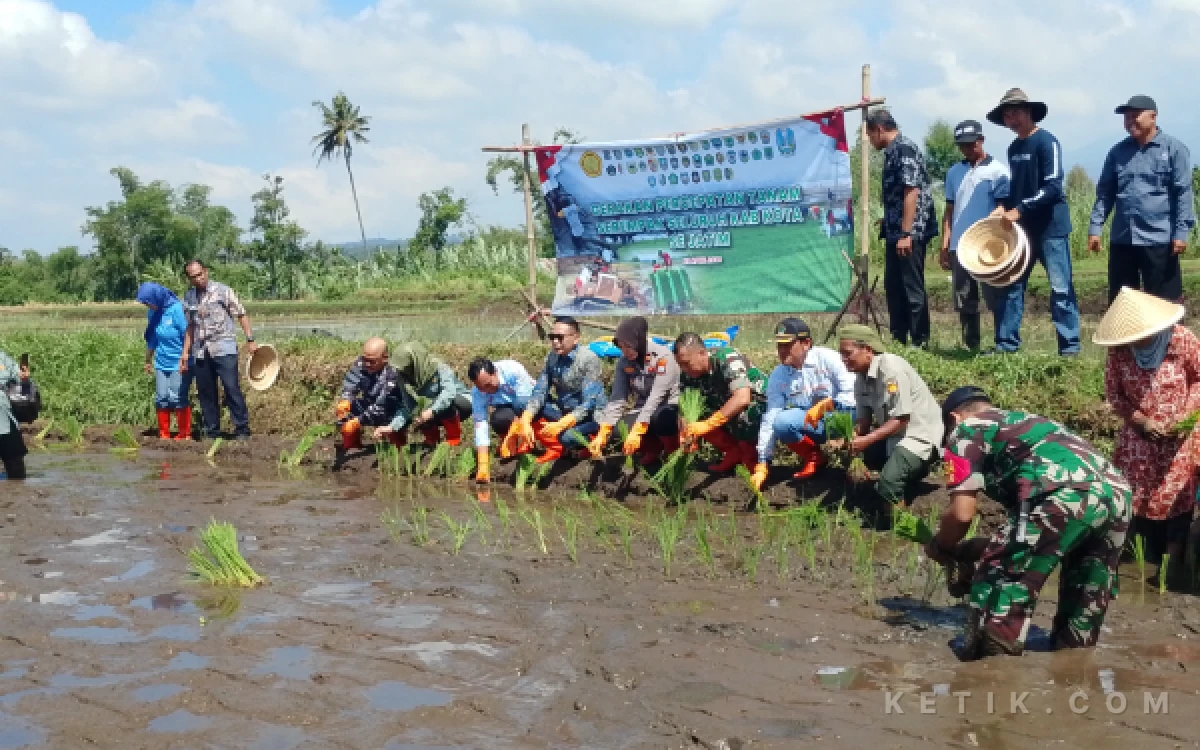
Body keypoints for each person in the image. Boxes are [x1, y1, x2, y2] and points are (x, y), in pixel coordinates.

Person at [931, 386, 1131, 659]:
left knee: (998, 582)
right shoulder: (1028, 424)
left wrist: (941, 546)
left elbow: (961, 514)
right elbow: (1035, 539)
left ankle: (990, 667)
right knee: (1085, 598)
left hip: (1063, 492)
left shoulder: (965, 430)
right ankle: (1075, 666)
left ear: (954, 418)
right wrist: (971, 550)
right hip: (1118, 495)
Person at [1097, 287, 1199, 584]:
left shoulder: (1181, 339)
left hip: (1179, 439)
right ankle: (1138, 559)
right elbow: (1114, 395)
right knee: (1135, 496)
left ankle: (1173, 563)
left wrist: (1183, 417)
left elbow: (1199, 379)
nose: (1136, 341)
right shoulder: (1119, 350)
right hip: (1138, 439)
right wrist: (1141, 421)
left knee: (1177, 497)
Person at [987, 88, 1081, 356]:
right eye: (1007, 116)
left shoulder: (1047, 142)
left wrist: (1020, 209)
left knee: (1061, 289)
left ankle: (1069, 348)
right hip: (1023, 231)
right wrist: (1004, 208)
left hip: (1051, 229)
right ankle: (1006, 345)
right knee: (1012, 285)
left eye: (1015, 113)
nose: (1011, 120)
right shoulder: (1014, 148)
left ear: (1029, 112)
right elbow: (1019, 188)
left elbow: (1053, 187)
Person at [1089, 95, 1195, 303]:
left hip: (1159, 240)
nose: (1130, 121)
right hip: (1123, 239)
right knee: (1122, 302)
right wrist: (1095, 227)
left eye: (1135, 116)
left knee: (1164, 302)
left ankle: (1166, 327)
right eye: (1127, 117)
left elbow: (1183, 192)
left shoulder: (1173, 149)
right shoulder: (1117, 152)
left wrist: (1181, 233)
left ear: (1153, 117)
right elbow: (1105, 193)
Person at [837, 324, 943, 505]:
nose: (843, 359)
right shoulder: (860, 378)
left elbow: (901, 419)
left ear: (867, 350)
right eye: (842, 354)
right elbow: (864, 419)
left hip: (918, 437)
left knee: (888, 486)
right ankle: (904, 474)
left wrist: (866, 440)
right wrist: (851, 437)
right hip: (894, 436)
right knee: (863, 454)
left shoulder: (891, 371)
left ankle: (897, 519)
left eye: (848, 353)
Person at [750, 318, 856, 490]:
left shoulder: (828, 359)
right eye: (779, 345)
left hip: (844, 417)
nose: (781, 350)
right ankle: (815, 458)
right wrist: (763, 461)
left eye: (787, 345)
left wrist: (830, 404)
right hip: (815, 422)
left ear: (806, 343)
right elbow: (771, 416)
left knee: (852, 412)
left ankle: (854, 458)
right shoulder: (779, 375)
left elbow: (853, 393)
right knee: (782, 422)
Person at [866, 108, 938, 348]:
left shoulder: (904, 149)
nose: (870, 141)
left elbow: (911, 191)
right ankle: (899, 339)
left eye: (870, 135)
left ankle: (919, 341)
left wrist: (906, 233)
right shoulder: (892, 152)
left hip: (910, 233)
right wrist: (889, 220)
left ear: (879, 129)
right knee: (894, 287)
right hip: (895, 230)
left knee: (911, 288)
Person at [940, 120, 1011, 351]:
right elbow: (949, 211)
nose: (967, 149)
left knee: (995, 295)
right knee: (964, 296)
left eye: (971, 144)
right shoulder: (954, 172)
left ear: (981, 140)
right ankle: (971, 344)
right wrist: (945, 244)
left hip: (986, 243)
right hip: (959, 245)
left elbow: (1003, 207)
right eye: (963, 145)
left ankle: (1002, 343)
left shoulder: (997, 171)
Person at [508, 317, 606, 464]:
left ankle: (590, 442)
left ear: (575, 338)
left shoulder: (588, 359)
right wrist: (526, 420)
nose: (555, 342)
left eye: (560, 337)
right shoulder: (552, 357)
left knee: (567, 437)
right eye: (552, 337)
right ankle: (555, 447)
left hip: (590, 417)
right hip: (563, 410)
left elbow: (589, 404)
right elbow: (540, 391)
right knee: (520, 403)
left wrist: (561, 424)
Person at [180, 260, 257, 439]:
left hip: (224, 347)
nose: (198, 279)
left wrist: (250, 339)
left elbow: (241, 314)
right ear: (189, 279)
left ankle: (242, 429)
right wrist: (185, 353)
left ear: (205, 271)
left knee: (231, 388)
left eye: (200, 274)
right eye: (193, 277)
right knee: (206, 392)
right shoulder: (189, 297)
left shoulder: (223, 291)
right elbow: (190, 326)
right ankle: (212, 431)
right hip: (201, 350)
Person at [590, 317, 681, 466]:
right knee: (618, 430)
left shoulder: (662, 357)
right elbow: (617, 398)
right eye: (621, 347)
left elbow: (657, 396)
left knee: (662, 419)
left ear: (639, 339)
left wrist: (638, 429)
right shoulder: (623, 362)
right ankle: (653, 449)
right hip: (643, 408)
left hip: (667, 406)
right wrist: (604, 431)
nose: (625, 351)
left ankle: (673, 451)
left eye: (628, 346)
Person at [675, 332, 767, 473]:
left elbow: (742, 398)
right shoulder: (687, 375)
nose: (684, 369)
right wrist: (685, 432)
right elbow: (684, 407)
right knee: (696, 416)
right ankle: (732, 452)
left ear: (702, 353)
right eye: (680, 365)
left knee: (745, 417)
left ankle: (752, 458)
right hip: (724, 404)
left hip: (759, 403)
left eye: (686, 363)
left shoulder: (726, 357)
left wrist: (708, 424)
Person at [376, 343, 472, 449]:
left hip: (461, 404)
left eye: (406, 368)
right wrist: (391, 427)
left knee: (445, 402)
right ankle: (432, 440)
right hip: (432, 408)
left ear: (416, 362)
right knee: (418, 410)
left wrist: (432, 411)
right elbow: (408, 406)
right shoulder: (403, 377)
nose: (403, 372)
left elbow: (449, 393)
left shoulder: (439, 367)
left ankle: (454, 438)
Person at [335, 337, 408, 465]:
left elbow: (381, 405)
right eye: (365, 359)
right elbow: (351, 383)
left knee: (393, 420)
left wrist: (358, 421)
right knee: (347, 409)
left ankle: (398, 445)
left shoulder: (393, 372)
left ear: (385, 358)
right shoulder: (361, 363)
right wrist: (345, 400)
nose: (367, 364)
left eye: (372, 361)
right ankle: (352, 445)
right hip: (370, 403)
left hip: (390, 409)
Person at [137, 282, 192, 441]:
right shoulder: (153, 313)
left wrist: (185, 356)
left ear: (157, 297)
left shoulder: (177, 309)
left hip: (178, 361)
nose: (148, 306)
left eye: (148, 302)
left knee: (176, 397)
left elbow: (188, 334)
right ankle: (164, 434)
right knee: (161, 397)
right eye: (145, 303)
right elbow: (153, 339)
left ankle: (184, 434)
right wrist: (148, 360)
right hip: (161, 361)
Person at [467, 357, 535, 483]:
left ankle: (526, 440)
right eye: (481, 388)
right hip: (508, 409)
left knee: (520, 404)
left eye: (488, 384)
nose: (486, 390)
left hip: (531, 404)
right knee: (497, 419)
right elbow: (480, 423)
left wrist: (516, 429)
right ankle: (511, 443)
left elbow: (527, 401)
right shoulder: (478, 392)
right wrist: (483, 464)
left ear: (495, 372)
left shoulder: (512, 370)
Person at [0, 349, 29, 480]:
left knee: (16, 466)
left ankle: (17, 488)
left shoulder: (2, 357)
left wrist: (24, 378)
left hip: (5, 418)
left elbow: (24, 387)